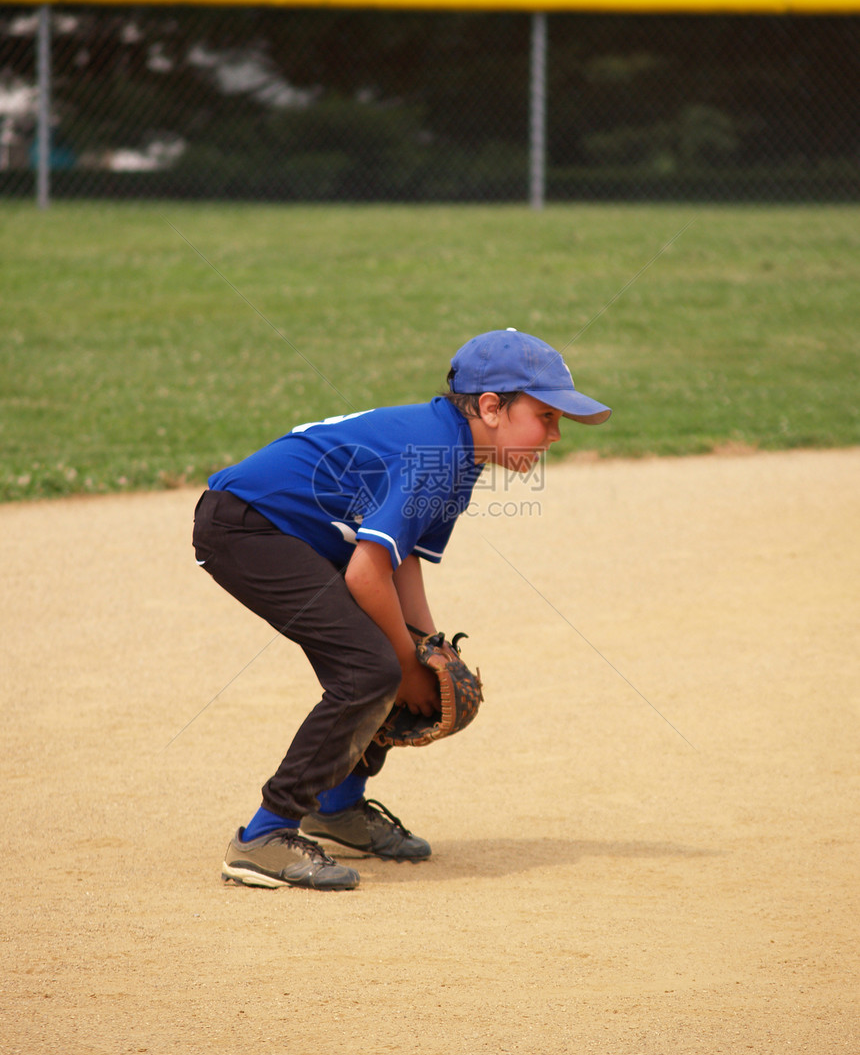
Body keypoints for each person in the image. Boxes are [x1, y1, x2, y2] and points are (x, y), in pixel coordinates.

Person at [192, 328, 611, 891]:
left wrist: (428, 647)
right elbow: (366, 573)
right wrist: (406, 664)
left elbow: (399, 557)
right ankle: (263, 836)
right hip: (248, 529)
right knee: (372, 669)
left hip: (285, 533)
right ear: (491, 407)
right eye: (546, 416)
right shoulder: (438, 455)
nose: (556, 434)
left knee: (390, 661)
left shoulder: (454, 449)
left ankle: (336, 809)